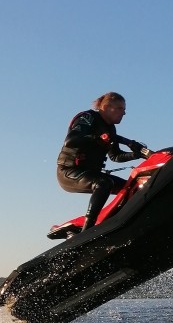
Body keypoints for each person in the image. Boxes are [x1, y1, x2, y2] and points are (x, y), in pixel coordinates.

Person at [56, 91, 151, 231]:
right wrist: (96, 138)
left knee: (132, 188)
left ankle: (123, 224)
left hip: (91, 173)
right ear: (106, 107)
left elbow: (116, 156)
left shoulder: (110, 128)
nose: (123, 113)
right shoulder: (88, 118)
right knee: (104, 183)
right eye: (120, 109)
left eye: (124, 110)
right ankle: (88, 230)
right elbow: (70, 141)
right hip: (69, 172)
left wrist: (136, 154)